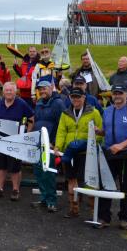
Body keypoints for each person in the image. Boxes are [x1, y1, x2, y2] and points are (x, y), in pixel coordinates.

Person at [96, 85, 127, 230]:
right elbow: (107, 131)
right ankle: (104, 217)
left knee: (126, 185)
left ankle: (125, 218)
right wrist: (99, 132)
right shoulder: (107, 111)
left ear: (126, 94)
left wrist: (122, 145)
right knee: (106, 184)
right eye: (115, 93)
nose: (117, 96)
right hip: (110, 153)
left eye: (120, 93)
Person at [54, 88, 102, 218]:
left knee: (89, 182)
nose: (76, 99)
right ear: (70, 98)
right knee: (71, 179)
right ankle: (73, 208)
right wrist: (58, 146)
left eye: (78, 97)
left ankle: (93, 211)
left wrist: (88, 143)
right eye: (73, 97)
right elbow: (61, 131)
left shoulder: (94, 112)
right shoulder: (65, 113)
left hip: (86, 152)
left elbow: (101, 133)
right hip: (68, 152)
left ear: (84, 97)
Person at [0, 82, 34, 200]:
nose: (9, 92)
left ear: (15, 92)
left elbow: (31, 119)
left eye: (11, 90)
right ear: (3, 92)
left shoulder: (22, 104)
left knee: (15, 166)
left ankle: (15, 190)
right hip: (0, 140)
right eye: (7, 90)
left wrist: (26, 135)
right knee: (0, 165)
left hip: (16, 140)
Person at [31, 81, 66, 212]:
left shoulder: (58, 103)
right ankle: (44, 198)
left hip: (50, 144)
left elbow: (62, 125)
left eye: (45, 88)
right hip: (38, 143)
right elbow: (37, 122)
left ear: (51, 88)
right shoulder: (39, 103)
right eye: (40, 89)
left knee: (48, 173)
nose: (42, 91)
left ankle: (52, 201)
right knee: (39, 172)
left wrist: (55, 142)